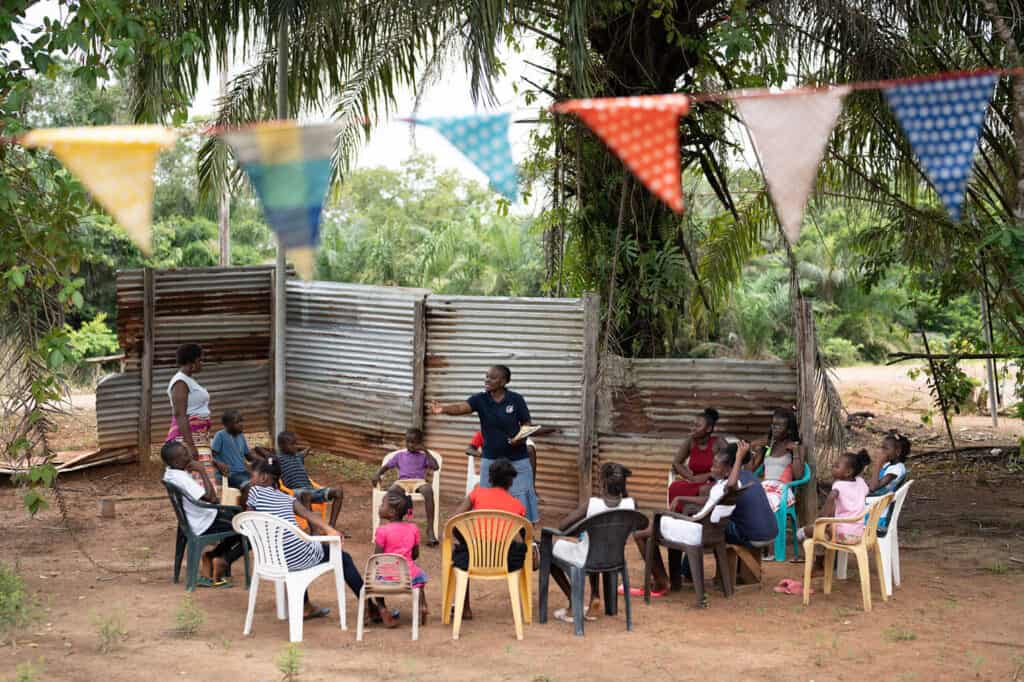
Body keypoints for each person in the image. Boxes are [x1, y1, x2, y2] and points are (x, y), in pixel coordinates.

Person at [243, 455, 380, 623]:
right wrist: (330, 530)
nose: (251, 480)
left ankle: (305, 606)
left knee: (298, 545)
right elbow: (307, 514)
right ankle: (369, 606)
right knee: (343, 557)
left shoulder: (254, 492)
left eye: (253, 476)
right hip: (296, 558)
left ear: (263, 477)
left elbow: (248, 517)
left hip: (271, 558)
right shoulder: (287, 498)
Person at [636, 441, 750, 594]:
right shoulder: (721, 485)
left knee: (640, 535)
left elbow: (731, 484)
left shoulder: (731, 485)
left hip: (697, 530)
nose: (711, 469)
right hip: (705, 529)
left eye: (716, 466)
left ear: (728, 470)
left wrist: (738, 459)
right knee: (656, 527)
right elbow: (709, 501)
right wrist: (682, 498)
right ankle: (673, 582)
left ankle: (661, 580)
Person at [432, 365, 538, 523]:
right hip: (491, 460)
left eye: (492, 378)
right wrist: (443, 409)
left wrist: (520, 438)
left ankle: (526, 539)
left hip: (517, 459)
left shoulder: (516, 399)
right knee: (487, 500)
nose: (487, 380)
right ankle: (488, 536)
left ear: (503, 381)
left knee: (522, 498)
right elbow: (462, 407)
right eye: (486, 376)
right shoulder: (480, 399)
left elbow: (526, 424)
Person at [549, 462, 635, 624]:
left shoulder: (593, 504)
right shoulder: (631, 504)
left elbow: (562, 527)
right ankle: (595, 595)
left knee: (550, 549)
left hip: (587, 558)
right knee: (592, 542)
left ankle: (573, 601)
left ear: (602, 484)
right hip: (615, 558)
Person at [449, 458, 529, 620]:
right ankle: (525, 612)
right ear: (511, 482)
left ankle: (465, 608)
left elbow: (454, 520)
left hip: (473, 558)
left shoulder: (477, 493)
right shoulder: (517, 505)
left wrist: (465, 539)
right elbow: (522, 536)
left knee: (464, 549)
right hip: (506, 561)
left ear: (490, 478)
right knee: (521, 548)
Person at [161, 441, 244, 587]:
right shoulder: (182, 479)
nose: (189, 455)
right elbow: (211, 498)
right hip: (204, 521)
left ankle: (214, 557)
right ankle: (219, 559)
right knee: (246, 526)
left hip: (193, 518)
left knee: (235, 519)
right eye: (185, 454)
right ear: (176, 461)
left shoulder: (171, 473)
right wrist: (202, 471)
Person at [371, 427, 440, 546]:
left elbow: (435, 467)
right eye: (408, 441)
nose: (410, 444)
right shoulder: (400, 456)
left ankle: (430, 530)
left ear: (419, 443)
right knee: (392, 491)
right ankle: (393, 527)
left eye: (414, 442)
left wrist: (426, 451)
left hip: (418, 481)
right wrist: (377, 474)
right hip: (402, 482)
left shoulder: (423, 456)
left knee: (428, 490)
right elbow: (386, 466)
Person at [372, 489, 429, 627]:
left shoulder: (382, 530)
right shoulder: (413, 528)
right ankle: (422, 605)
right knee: (420, 577)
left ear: (391, 512)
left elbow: (377, 559)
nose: (380, 507)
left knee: (372, 579)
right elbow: (415, 555)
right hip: (408, 578)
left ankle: (383, 610)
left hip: (386, 579)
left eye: (382, 504)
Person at [167, 343, 216, 489]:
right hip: (190, 439)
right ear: (192, 362)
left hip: (198, 438)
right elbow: (180, 414)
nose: (202, 363)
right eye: (200, 360)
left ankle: (204, 511)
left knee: (203, 481)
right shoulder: (180, 382)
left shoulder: (188, 380)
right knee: (198, 484)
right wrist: (190, 445)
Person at [797, 450, 872, 547]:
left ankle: (801, 533)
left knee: (819, 529)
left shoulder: (839, 485)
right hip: (859, 533)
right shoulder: (861, 482)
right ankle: (823, 559)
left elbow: (827, 511)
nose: (833, 467)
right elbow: (866, 491)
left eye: (837, 466)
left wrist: (821, 519)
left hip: (842, 534)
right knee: (827, 528)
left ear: (848, 472)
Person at [276, 431, 344, 527]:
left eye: (296, 444)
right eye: (292, 444)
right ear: (281, 445)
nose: (295, 446)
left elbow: (304, 452)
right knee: (306, 494)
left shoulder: (298, 456)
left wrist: (312, 445)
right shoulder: (278, 459)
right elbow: (265, 459)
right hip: (295, 493)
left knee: (338, 492)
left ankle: (331, 526)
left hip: (311, 490)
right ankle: (314, 531)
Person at [750, 408, 804, 514]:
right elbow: (751, 469)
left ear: (789, 430)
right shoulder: (769, 445)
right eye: (773, 424)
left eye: (779, 425)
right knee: (746, 499)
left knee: (764, 502)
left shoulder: (796, 446)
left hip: (782, 490)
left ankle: (764, 528)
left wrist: (796, 452)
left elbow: (798, 476)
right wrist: (755, 450)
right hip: (765, 487)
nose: (774, 428)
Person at [668, 408, 722, 510]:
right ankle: (679, 518)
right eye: (693, 425)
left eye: (698, 426)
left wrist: (710, 475)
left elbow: (730, 463)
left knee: (705, 490)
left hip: (713, 481)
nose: (693, 428)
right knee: (675, 486)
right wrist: (690, 478)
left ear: (708, 429)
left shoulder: (718, 442)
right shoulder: (690, 441)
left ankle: (699, 519)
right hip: (694, 481)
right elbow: (676, 463)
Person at [210, 409, 258, 489]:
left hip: (243, 472)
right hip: (230, 474)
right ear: (227, 424)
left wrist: (263, 460)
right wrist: (219, 464)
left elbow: (248, 455)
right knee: (249, 485)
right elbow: (211, 456)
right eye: (237, 422)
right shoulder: (220, 435)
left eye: (242, 421)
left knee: (260, 482)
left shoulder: (241, 436)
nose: (241, 424)